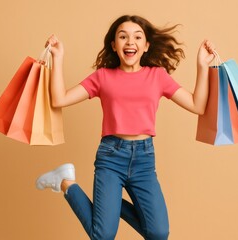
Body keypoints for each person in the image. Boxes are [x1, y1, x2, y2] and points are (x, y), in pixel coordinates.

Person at [36, 15, 216, 240]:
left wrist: (202, 66)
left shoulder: (157, 76)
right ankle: (65, 182)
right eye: (123, 37)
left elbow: (197, 105)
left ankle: (108, 203)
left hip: (144, 159)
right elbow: (59, 100)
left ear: (146, 45)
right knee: (102, 236)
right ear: (114, 45)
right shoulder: (103, 76)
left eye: (137, 37)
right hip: (111, 157)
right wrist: (58, 58)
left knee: (159, 234)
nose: (130, 42)